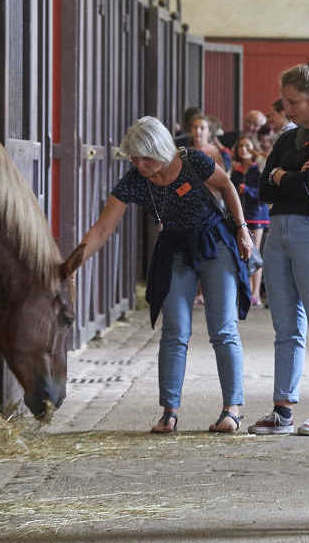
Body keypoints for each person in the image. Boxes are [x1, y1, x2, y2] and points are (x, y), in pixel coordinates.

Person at [76, 116, 253, 434]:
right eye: (133, 157)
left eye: (145, 157)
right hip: (174, 247)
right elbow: (103, 228)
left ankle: (232, 410)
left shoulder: (191, 161)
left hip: (214, 241)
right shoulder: (135, 180)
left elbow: (226, 185)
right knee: (174, 330)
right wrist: (72, 264)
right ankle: (169, 412)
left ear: (161, 149)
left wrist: (242, 230)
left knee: (223, 328)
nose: (139, 163)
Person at [248, 60, 309, 437]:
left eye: (294, 102)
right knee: (285, 325)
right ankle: (283, 407)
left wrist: (282, 176)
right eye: (284, 102)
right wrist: (284, 176)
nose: (287, 110)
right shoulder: (287, 140)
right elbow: (264, 187)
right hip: (279, 230)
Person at [231, 137, 269, 306]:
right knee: (242, 253)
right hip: (241, 216)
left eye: (247, 145)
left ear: (253, 148)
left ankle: (256, 294)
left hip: (257, 215)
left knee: (255, 252)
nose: (244, 149)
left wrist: (247, 190)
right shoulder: (236, 171)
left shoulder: (258, 168)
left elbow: (263, 192)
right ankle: (245, 291)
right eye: (240, 145)